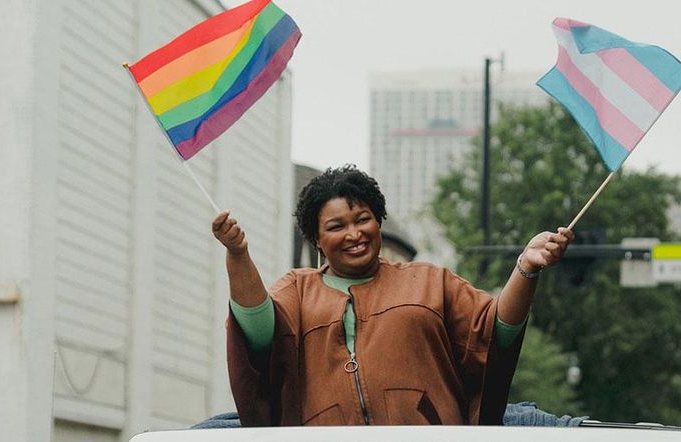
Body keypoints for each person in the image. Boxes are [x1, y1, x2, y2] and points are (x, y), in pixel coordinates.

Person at [214, 165, 573, 426]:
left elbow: (496, 334)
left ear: (379, 220)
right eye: (336, 226)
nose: (354, 233)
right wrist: (238, 254)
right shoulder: (296, 290)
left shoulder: (430, 282)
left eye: (363, 219)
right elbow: (257, 332)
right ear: (316, 240)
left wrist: (526, 268)